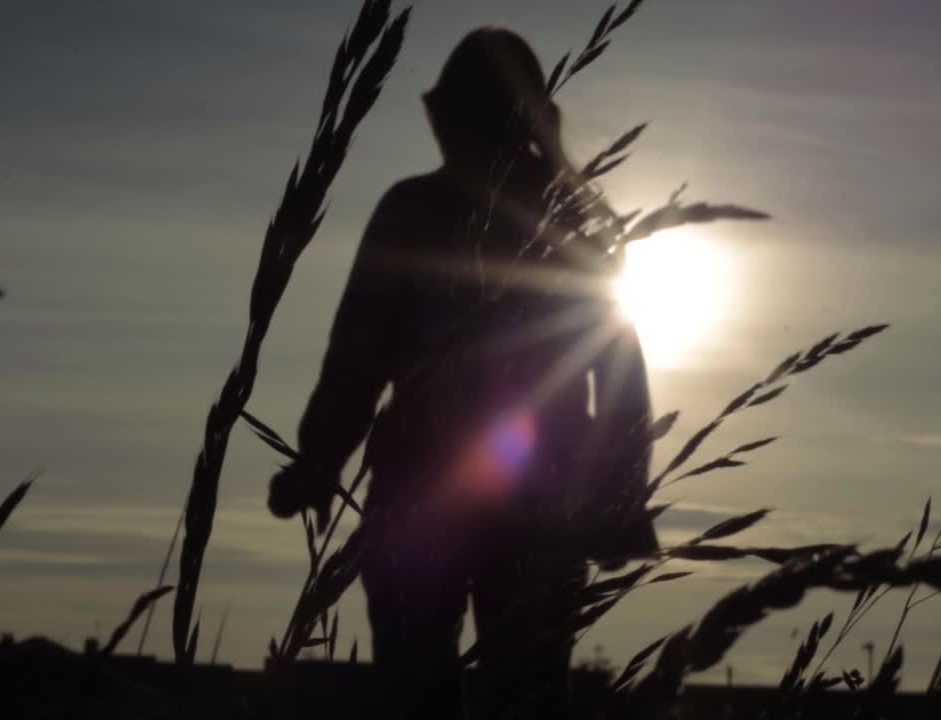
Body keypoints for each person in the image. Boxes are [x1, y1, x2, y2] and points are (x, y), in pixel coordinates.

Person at [267, 27, 658, 719]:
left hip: (464, 493)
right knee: (501, 694)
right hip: (505, 498)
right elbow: (620, 372)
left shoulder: (424, 211)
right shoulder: (547, 218)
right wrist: (318, 459)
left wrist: (321, 458)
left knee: (454, 693)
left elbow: (357, 359)